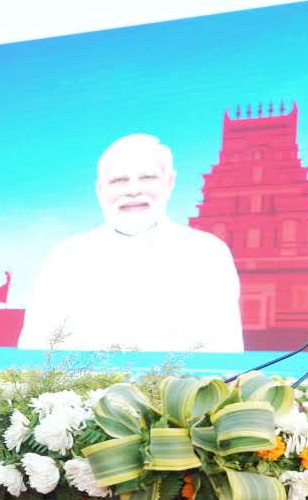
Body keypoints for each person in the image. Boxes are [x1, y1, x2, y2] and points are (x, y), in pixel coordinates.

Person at [17, 133, 243, 352]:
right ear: (100, 190)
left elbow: (223, 352)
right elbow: (35, 350)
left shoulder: (207, 253)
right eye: (119, 180)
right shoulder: (66, 257)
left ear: (169, 182)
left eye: (147, 178)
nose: (134, 190)